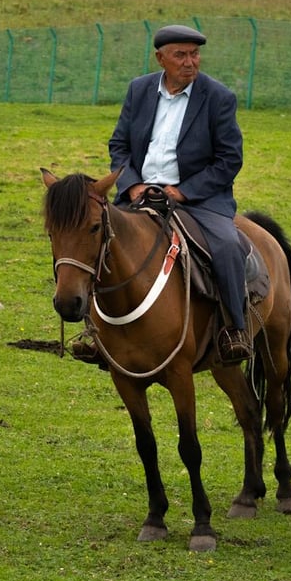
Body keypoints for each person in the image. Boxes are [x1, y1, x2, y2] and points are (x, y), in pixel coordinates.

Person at [106, 24, 253, 363]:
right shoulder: (139, 90)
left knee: (228, 245)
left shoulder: (218, 98)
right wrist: (133, 184)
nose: (190, 62)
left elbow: (229, 159)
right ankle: (96, 329)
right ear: (161, 59)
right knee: (97, 238)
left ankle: (235, 328)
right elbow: (120, 144)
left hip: (199, 200)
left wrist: (183, 191)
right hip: (139, 194)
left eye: (195, 54)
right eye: (180, 55)